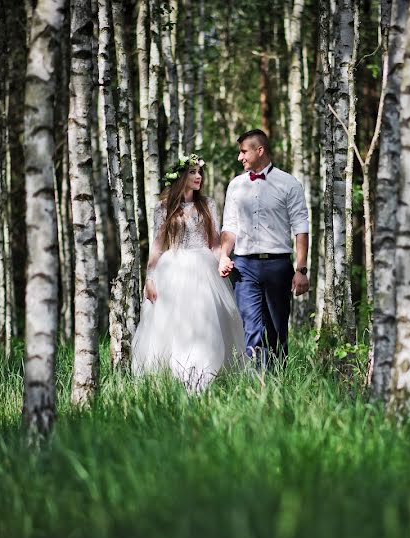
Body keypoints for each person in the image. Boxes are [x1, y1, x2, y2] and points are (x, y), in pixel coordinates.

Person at [131, 154, 245, 391]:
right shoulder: (163, 208)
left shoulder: (208, 205)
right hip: (171, 269)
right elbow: (157, 244)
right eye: (192, 172)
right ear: (181, 176)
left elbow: (214, 243)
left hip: (203, 269)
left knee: (206, 323)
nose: (198, 176)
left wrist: (223, 259)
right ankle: (172, 377)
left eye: (200, 172)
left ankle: (204, 376)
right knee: (171, 324)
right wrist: (150, 278)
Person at [218, 129, 310, 367]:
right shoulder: (235, 186)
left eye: (243, 151)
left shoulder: (289, 183)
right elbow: (229, 227)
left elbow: (301, 227)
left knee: (276, 329)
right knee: (251, 326)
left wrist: (301, 269)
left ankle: (279, 383)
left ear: (259, 151)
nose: (240, 158)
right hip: (244, 266)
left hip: (278, 265)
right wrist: (223, 255)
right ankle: (256, 384)